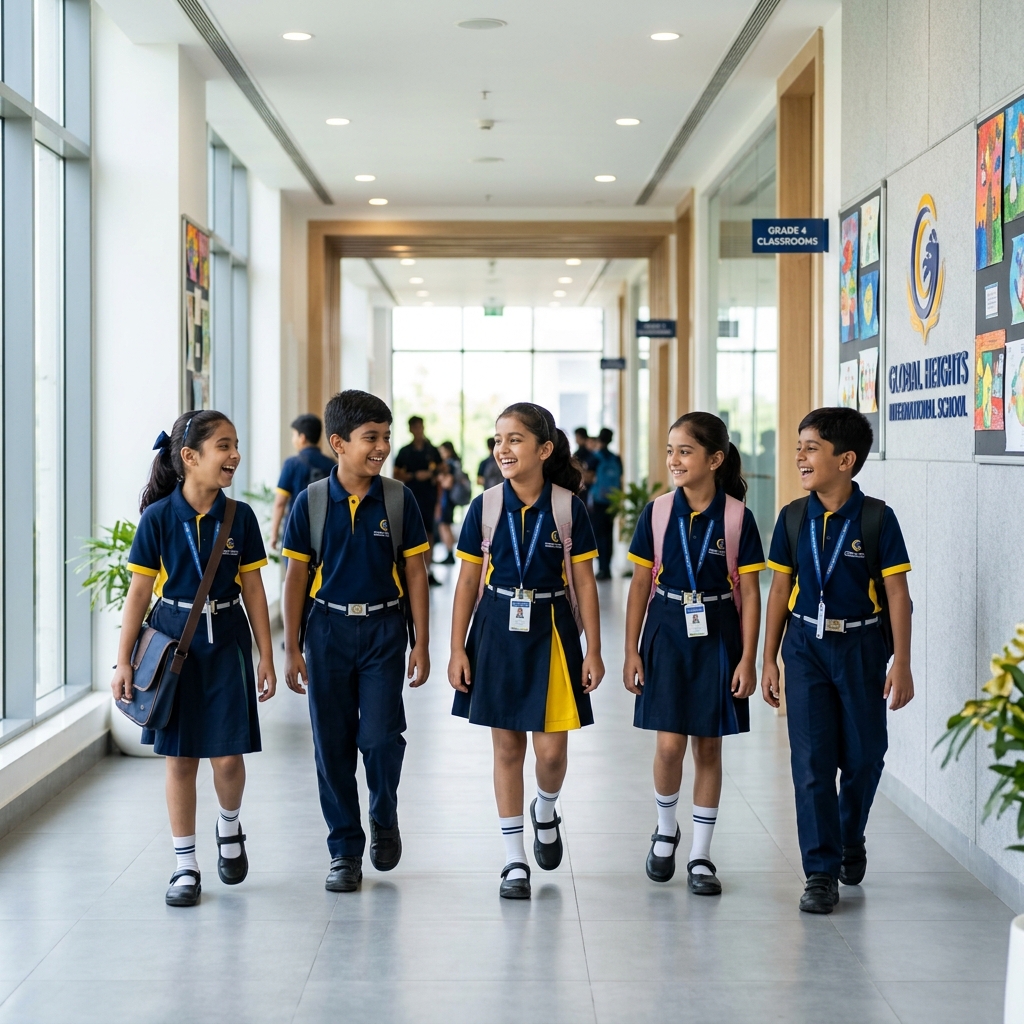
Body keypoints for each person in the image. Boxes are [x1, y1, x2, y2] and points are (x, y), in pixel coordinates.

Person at [111, 411, 276, 907]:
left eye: (236, 444)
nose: (235, 455)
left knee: (227, 756)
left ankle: (229, 825)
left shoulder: (240, 518)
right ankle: (185, 864)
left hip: (226, 641)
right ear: (189, 456)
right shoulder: (158, 518)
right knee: (180, 759)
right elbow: (139, 593)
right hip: (173, 645)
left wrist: (267, 655)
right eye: (224, 446)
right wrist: (124, 662)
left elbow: (253, 589)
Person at [760, 407, 914, 915]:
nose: (800, 456)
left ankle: (850, 834)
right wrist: (768, 659)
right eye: (799, 446)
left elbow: (898, 594)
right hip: (804, 647)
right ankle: (820, 872)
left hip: (862, 647)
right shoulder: (792, 517)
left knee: (866, 756)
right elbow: (779, 590)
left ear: (845, 460)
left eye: (811, 448)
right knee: (812, 764)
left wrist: (902, 663)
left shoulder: (877, 519)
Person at [448, 403, 604, 900]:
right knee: (508, 748)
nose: (503, 449)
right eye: (498, 440)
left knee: (551, 752)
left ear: (544, 449)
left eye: (515, 439)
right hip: (497, 629)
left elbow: (585, 582)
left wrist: (594, 649)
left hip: (553, 630)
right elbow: (467, 582)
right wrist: (456, 649)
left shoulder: (568, 508)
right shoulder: (485, 507)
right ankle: (514, 860)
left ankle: (546, 807)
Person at [282, 390, 431, 893]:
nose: (382, 447)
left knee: (381, 738)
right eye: (371, 438)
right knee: (332, 745)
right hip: (327, 632)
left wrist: (421, 642)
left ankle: (383, 814)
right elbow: (296, 578)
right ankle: (344, 849)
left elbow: (416, 572)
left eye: (386, 436)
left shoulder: (398, 498)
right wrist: (291, 647)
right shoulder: (311, 502)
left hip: (385, 631)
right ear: (338, 443)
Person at [623, 412, 764, 894]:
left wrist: (748, 658)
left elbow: (751, 592)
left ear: (715, 459)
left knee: (708, 746)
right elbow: (639, 584)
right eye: (671, 451)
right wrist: (631, 651)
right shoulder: (658, 513)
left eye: (685, 451)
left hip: (718, 633)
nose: (675, 460)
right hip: (666, 629)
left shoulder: (738, 518)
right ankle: (666, 829)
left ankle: (701, 855)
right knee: (668, 746)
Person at [270, 414, 337, 550]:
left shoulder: (292, 464)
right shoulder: (331, 464)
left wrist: (274, 535)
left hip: (296, 530)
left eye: (294, 435)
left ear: (302, 438)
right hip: (325, 531)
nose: (293, 440)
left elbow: (280, 503)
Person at [394, 415, 442, 586]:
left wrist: (430, 474)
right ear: (410, 429)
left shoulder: (431, 450)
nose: (418, 430)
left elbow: (442, 468)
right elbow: (396, 472)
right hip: (411, 495)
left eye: (420, 426)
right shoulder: (405, 451)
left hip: (428, 496)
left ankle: (428, 569)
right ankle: (410, 570)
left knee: (429, 532)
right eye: (415, 427)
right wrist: (413, 475)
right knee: (410, 532)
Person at [590, 427, 622, 580]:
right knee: (609, 535)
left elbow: (588, 477)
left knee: (599, 535)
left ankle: (602, 568)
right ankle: (607, 568)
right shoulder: (616, 458)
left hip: (598, 501)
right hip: (613, 500)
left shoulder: (595, 457)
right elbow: (620, 479)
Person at [435, 441, 466, 565]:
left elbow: (448, 483)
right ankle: (449, 552)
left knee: (444, 525)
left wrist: (440, 478)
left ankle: (449, 553)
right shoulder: (456, 463)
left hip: (446, 500)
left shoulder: (450, 464)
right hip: (449, 500)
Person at [573, 427, 598, 504]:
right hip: (590, 488)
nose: (576, 440)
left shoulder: (580, 454)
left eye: (577, 437)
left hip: (583, 487)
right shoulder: (592, 454)